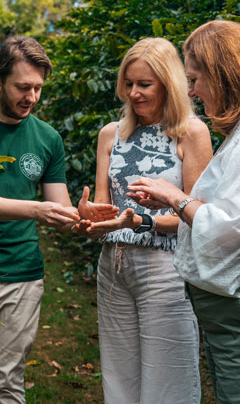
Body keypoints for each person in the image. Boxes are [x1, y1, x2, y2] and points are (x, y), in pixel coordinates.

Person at [0, 36, 117, 404]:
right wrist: (35, 210)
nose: (31, 97)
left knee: (9, 383)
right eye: (22, 87)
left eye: (38, 88)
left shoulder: (47, 137)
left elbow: (57, 207)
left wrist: (81, 217)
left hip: (23, 276)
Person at [76, 37, 212, 403]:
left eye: (144, 84)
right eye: (129, 83)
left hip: (165, 267)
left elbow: (199, 215)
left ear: (168, 83)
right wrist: (91, 217)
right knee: (119, 375)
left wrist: (141, 222)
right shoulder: (111, 135)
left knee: (169, 376)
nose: (134, 93)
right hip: (113, 266)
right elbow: (106, 209)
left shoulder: (191, 133)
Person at [127, 20, 240, 404]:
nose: (192, 89)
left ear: (221, 75)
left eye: (196, 78)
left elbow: (230, 226)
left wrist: (176, 198)